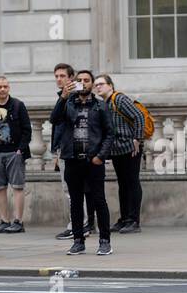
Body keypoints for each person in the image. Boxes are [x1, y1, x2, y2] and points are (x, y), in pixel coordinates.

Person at [50, 69, 113, 256]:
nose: (83, 83)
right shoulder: (68, 103)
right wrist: (63, 97)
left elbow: (109, 133)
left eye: (86, 80)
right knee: (76, 202)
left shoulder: (100, 106)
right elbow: (54, 119)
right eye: (79, 80)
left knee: (99, 201)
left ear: (92, 84)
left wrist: (100, 156)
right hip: (72, 159)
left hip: (93, 161)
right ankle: (78, 241)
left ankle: (104, 241)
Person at [92, 74, 143, 234]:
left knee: (132, 182)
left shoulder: (119, 99)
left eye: (101, 84)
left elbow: (138, 116)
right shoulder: (104, 103)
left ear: (110, 86)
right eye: (96, 85)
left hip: (130, 148)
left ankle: (133, 220)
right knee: (123, 184)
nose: (98, 87)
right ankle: (125, 218)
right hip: (117, 150)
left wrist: (137, 138)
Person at [0, 75, 31, 233]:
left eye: (5, 86)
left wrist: (20, 150)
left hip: (14, 152)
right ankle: (4, 220)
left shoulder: (17, 105)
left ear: (9, 88)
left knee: (17, 187)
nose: (2, 89)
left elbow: (27, 130)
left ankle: (18, 221)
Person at [50, 62, 95, 240]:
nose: (59, 79)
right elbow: (55, 121)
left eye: (63, 76)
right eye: (56, 76)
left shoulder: (73, 97)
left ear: (71, 78)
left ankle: (79, 224)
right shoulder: (63, 97)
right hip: (65, 148)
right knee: (70, 189)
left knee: (72, 189)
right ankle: (81, 224)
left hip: (75, 149)